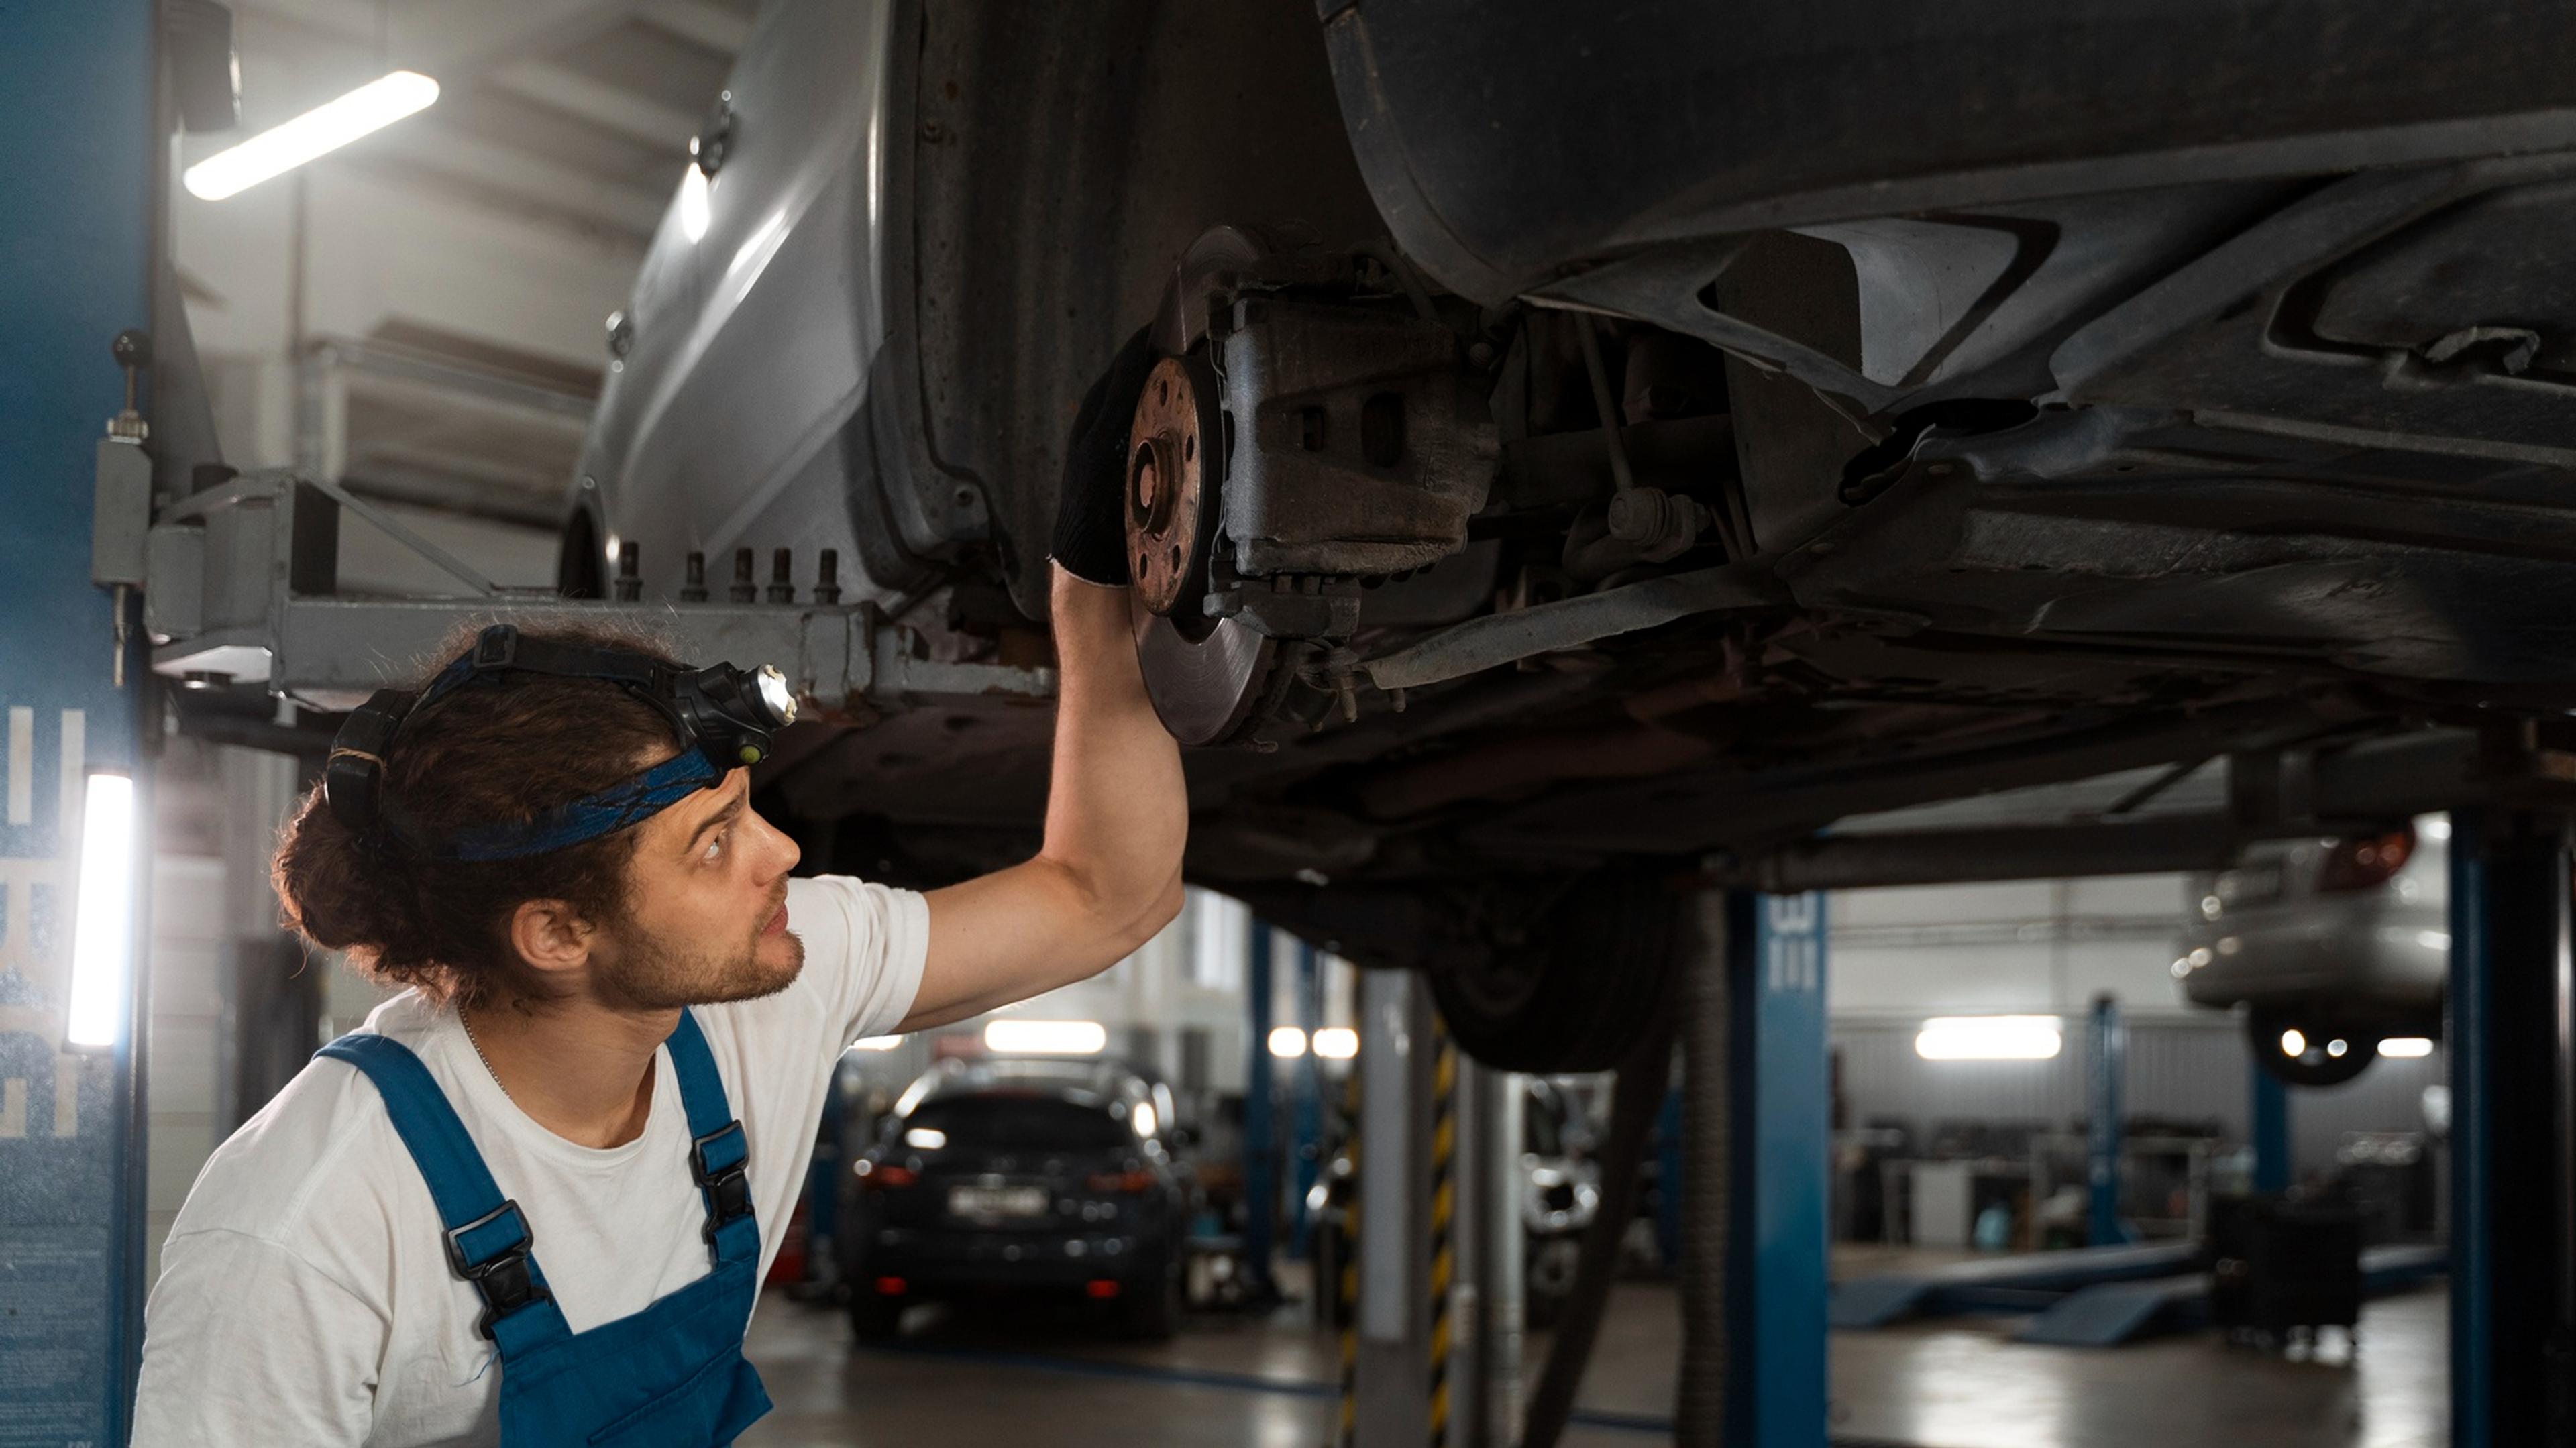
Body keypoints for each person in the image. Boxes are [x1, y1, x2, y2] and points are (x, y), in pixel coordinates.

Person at [129, 333, 1169, 1446]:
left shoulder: (767, 989)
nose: (780, 855)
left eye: (745, 808)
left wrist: (1090, 602)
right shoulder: (304, 1228)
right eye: (713, 844)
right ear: (558, 934)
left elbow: (1110, 894)